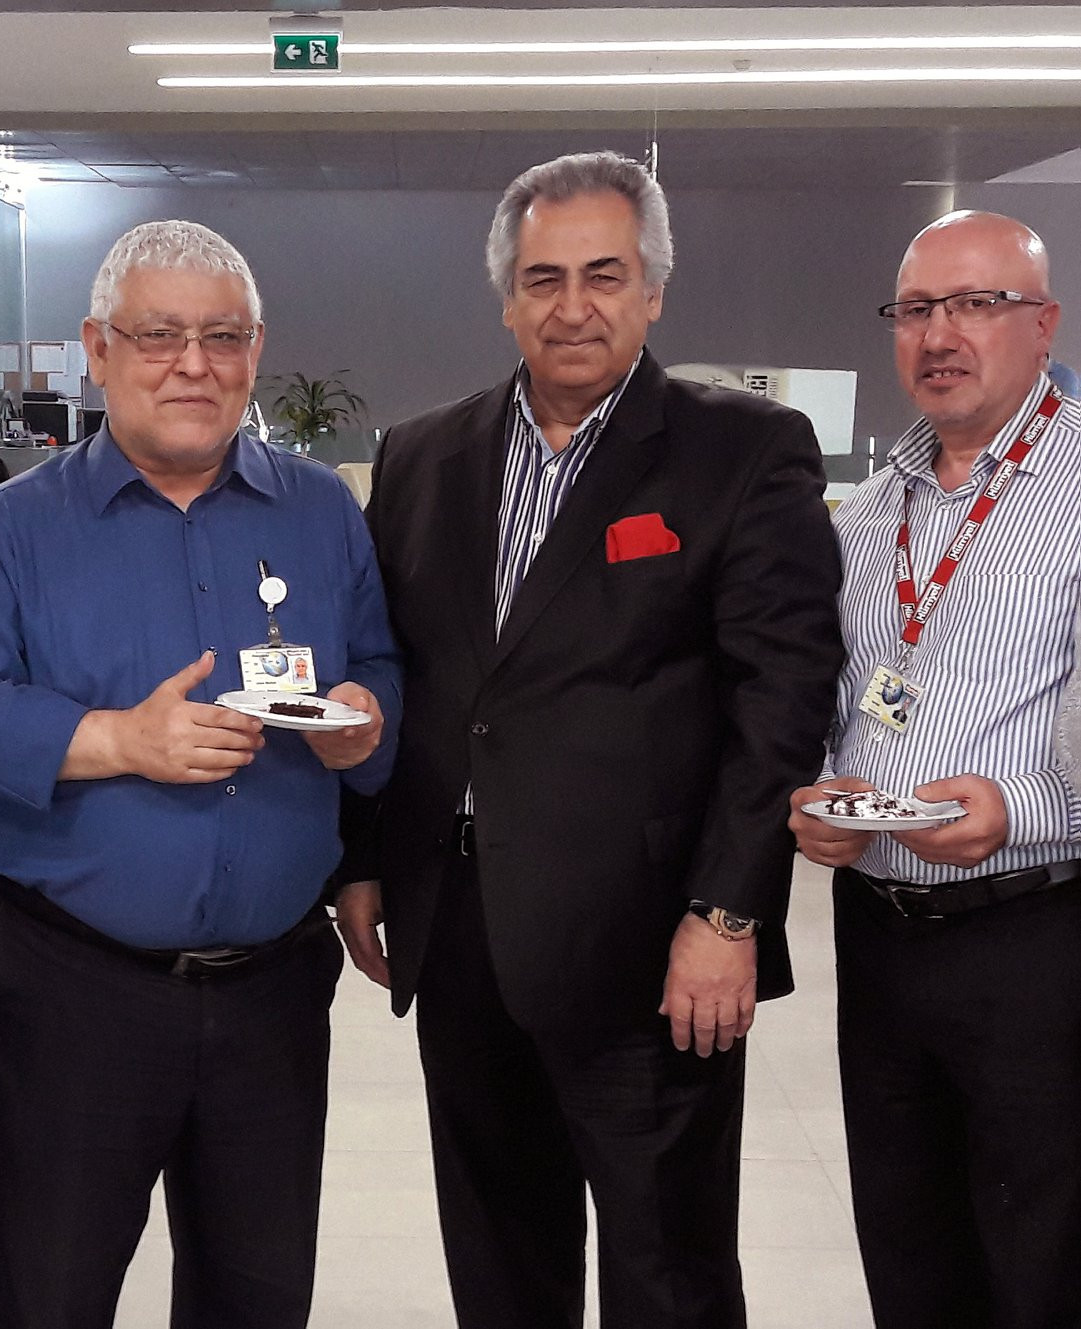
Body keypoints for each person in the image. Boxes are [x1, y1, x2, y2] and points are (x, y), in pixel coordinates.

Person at [334, 151, 843, 1328]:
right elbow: (390, 673)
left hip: (651, 949)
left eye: (604, 275)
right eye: (543, 278)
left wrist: (728, 914)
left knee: (668, 1275)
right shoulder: (421, 458)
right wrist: (360, 858)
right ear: (506, 299)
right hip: (460, 936)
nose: (573, 306)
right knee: (498, 1267)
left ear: (652, 289)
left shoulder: (743, 451)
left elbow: (781, 697)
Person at [0, 219, 401, 1328]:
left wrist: (364, 721)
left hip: (273, 992)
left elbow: (377, 664)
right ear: (97, 348)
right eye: (158, 335)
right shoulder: (15, 527)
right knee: (48, 1292)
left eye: (222, 337)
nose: (193, 364)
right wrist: (118, 741)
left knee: (255, 1295)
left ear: (255, 349)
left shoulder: (318, 510)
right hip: (75, 993)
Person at [789, 211, 1081, 1329]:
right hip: (880, 936)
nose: (938, 334)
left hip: (1038, 938)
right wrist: (823, 785)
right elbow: (839, 691)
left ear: (1042, 322)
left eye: (975, 304)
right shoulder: (868, 514)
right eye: (915, 309)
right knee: (908, 1250)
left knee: (1042, 1258)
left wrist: (1024, 807)